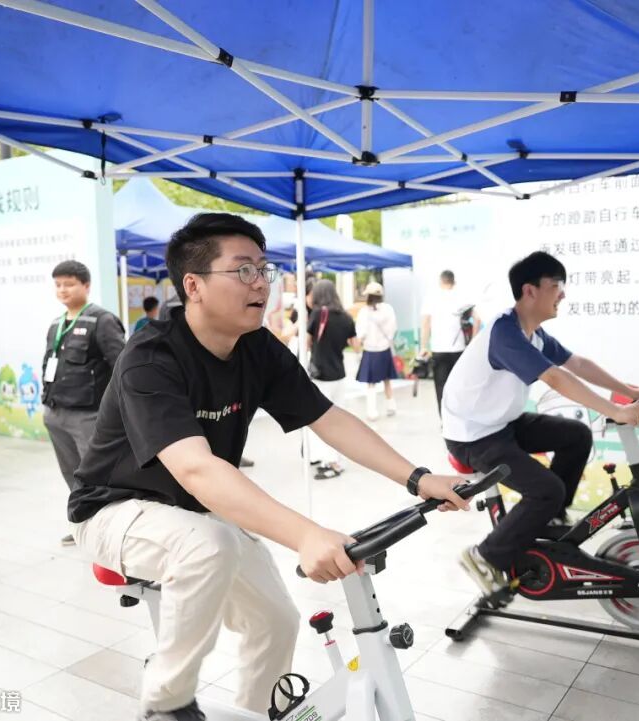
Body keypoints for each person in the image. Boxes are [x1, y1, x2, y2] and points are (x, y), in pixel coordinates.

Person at [67, 213, 469, 720]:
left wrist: (418, 477)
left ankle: (255, 713)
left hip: (198, 511)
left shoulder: (257, 347)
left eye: (264, 269)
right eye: (243, 270)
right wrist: (306, 535)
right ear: (193, 285)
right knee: (208, 544)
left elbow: (328, 418)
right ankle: (166, 703)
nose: (261, 283)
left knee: (276, 620)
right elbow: (196, 469)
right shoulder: (150, 357)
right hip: (114, 509)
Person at [441, 251, 639, 593]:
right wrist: (615, 411)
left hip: (502, 424)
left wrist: (631, 392)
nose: (563, 294)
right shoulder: (505, 333)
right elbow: (555, 378)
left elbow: (577, 364)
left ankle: (550, 519)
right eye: (556, 285)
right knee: (546, 490)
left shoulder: (533, 333)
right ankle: (484, 556)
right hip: (473, 437)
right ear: (530, 291)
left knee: (576, 435)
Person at [42, 260, 126, 547]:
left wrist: (117, 413)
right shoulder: (56, 324)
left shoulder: (102, 320)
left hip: (89, 416)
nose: (62, 290)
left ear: (86, 286)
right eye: (58, 285)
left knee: (98, 475)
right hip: (55, 412)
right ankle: (84, 524)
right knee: (71, 473)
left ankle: (108, 529)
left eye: (69, 284)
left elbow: (121, 367)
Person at [306, 279, 359, 479]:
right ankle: (333, 459)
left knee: (321, 422)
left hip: (321, 376)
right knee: (337, 421)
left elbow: (307, 342)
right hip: (339, 375)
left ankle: (330, 462)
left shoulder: (317, 314)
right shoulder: (346, 317)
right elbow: (355, 345)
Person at [419, 270, 480, 415]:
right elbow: (477, 319)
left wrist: (423, 346)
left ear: (441, 281)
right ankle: (460, 417)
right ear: (454, 282)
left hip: (438, 349)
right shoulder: (462, 297)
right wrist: (472, 342)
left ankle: (445, 420)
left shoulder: (432, 297)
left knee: (441, 386)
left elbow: (426, 323)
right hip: (459, 350)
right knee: (459, 387)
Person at [354, 281, 398, 421]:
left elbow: (361, 333)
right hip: (384, 349)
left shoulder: (364, 312)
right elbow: (393, 329)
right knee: (387, 379)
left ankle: (372, 411)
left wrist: (358, 348)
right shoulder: (388, 309)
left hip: (370, 350)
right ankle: (391, 406)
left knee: (371, 382)